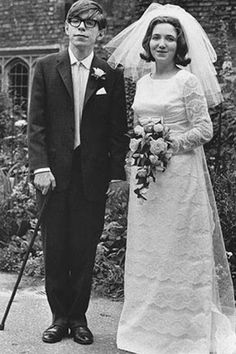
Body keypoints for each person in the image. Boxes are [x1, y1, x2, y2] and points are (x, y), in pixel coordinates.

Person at [105, 3, 236, 354]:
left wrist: (169, 143)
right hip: (147, 179)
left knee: (178, 250)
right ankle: (144, 331)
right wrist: (141, 151)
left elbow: (204, 129)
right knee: (149, 252)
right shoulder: (143, 81)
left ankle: (184, 335)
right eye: (157, 37)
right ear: (147, 43)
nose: (162, 44)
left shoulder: (187, 80)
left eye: (170, 38)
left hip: (180, 177)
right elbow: (138, 126)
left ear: (179, 45)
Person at [28, 0, 128, 345]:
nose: (82, 28)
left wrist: (117, 175)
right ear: (67, 28)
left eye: (90, 23)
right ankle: (58, 317)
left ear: (100, 32)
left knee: (84, 249)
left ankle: (79, 318)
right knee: (55, 248)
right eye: (76, 22)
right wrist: (40, 167)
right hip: (52, 177)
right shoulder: (44, 67)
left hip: (92, 178)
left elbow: (119, 131)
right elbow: (36, 125)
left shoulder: (110, 75)